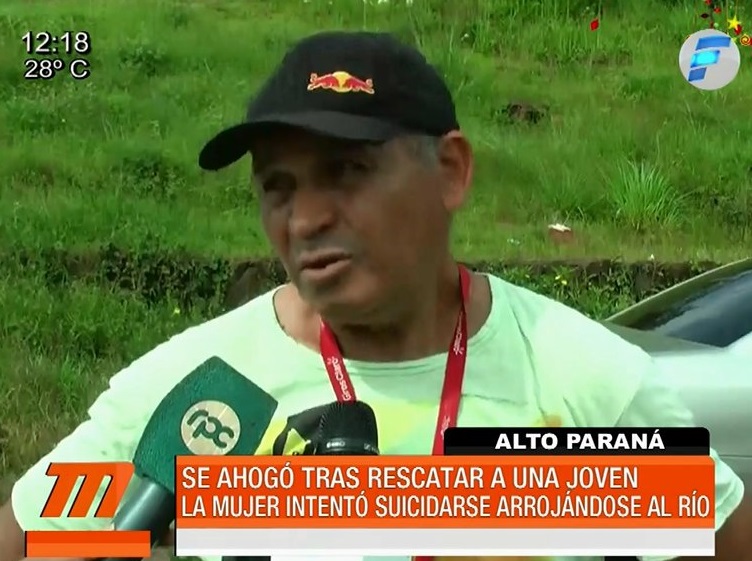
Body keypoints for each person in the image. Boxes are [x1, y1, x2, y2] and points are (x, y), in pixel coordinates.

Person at [0, 30, 749, 561]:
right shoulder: (202, 398)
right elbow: (34, 542)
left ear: (450, 171)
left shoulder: (585, 381)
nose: (305, 219)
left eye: (347, 172)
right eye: (278, 187)